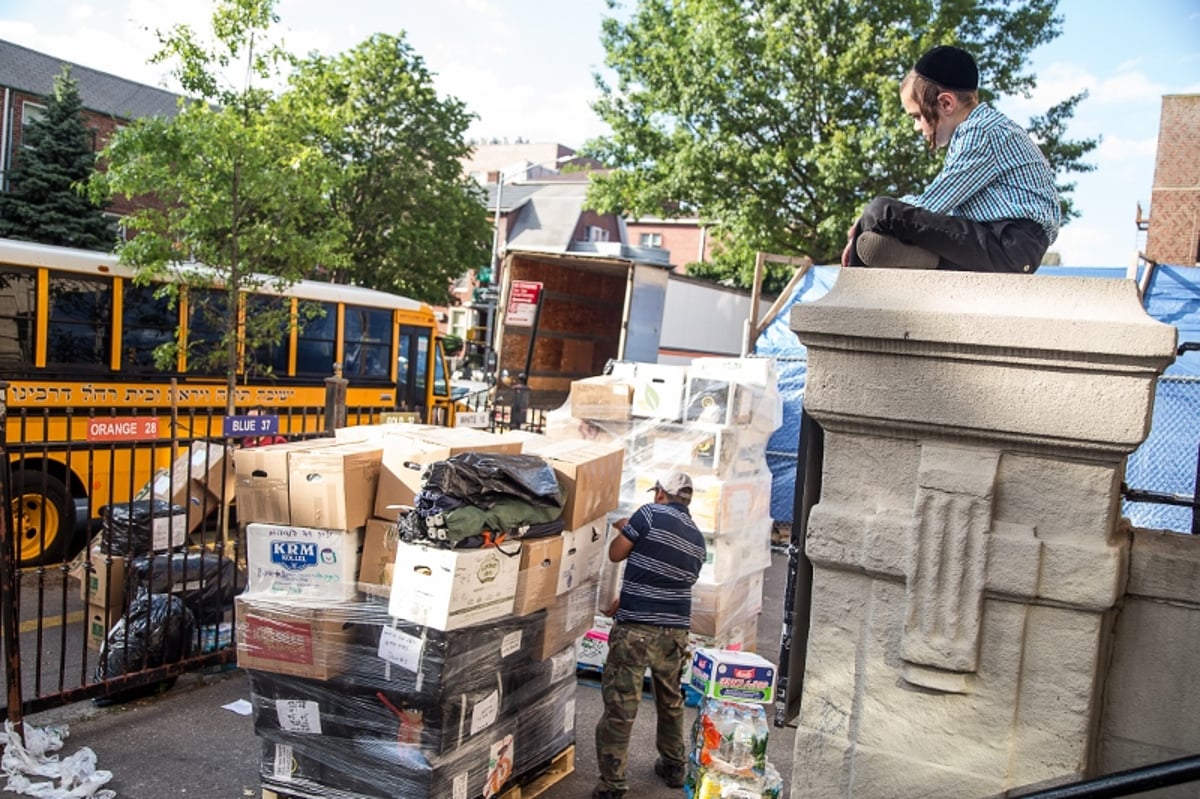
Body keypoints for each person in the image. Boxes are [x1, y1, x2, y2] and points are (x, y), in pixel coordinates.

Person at [841, 44, 1060, 273]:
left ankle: (850, 295)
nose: (916, 127)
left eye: (916, 116)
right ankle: (922, 259)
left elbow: (934, 205)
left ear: (946, 103)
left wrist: (865, 223)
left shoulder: (980, 130)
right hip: (1003, 244)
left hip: (1007, 243)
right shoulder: (989, 128)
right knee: (884, 224)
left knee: (880, 210)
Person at [593, 471, 706, 799]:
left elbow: (616, 554)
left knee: (621, 704)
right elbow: (676, 581)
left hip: (636, 632)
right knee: (670, 699)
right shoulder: (698, 539)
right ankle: (673, 765)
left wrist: (625, 530)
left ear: (660, 493)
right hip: (675, 634)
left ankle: (612, 784)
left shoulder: (647, 514)